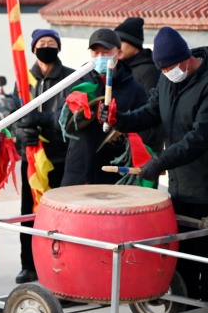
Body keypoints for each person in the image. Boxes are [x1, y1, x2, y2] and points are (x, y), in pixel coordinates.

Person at [101, 26, 208, 313]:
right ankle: (188, 311)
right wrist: (119, 120)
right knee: (182, 251)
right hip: (179, 183)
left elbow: (198, 138)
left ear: (186, 61)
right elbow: (151, 112)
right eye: (162, 69)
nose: (165, 73)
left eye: (168, 68)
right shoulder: (167, 79)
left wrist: (157, 163)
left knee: (207, 254)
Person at [11, 29, 73, 283]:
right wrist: (21, 132)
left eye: (51, 43)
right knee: (29, 213)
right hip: (32, 159)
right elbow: (13, 115)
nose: (46, 47)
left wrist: (44, 119)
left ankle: (60, 264)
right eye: (42, 43)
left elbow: (68, 116)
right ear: (34, 48)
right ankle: (29, 264)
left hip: (60, 157)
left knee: (60, 216)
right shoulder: (23, 78)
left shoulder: (70, 77)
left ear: (58, 47)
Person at [60, 28, 147, 187]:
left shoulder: (135, 89)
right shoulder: (77, 81)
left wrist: (120, 128)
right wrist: (83, 113)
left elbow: (144, 128)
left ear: (119, 53)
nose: (100, 57)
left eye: (106, 52)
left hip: (112, 172)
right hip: (77, 169)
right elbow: (59, 120)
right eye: (95, 52)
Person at [114, 17, 164, 155]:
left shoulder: (149, 71)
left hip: (143, 150)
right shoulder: (121, 69)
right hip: (123, 147)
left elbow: (152, 113)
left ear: (134, 44)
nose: (117, 47)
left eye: (122, 42)